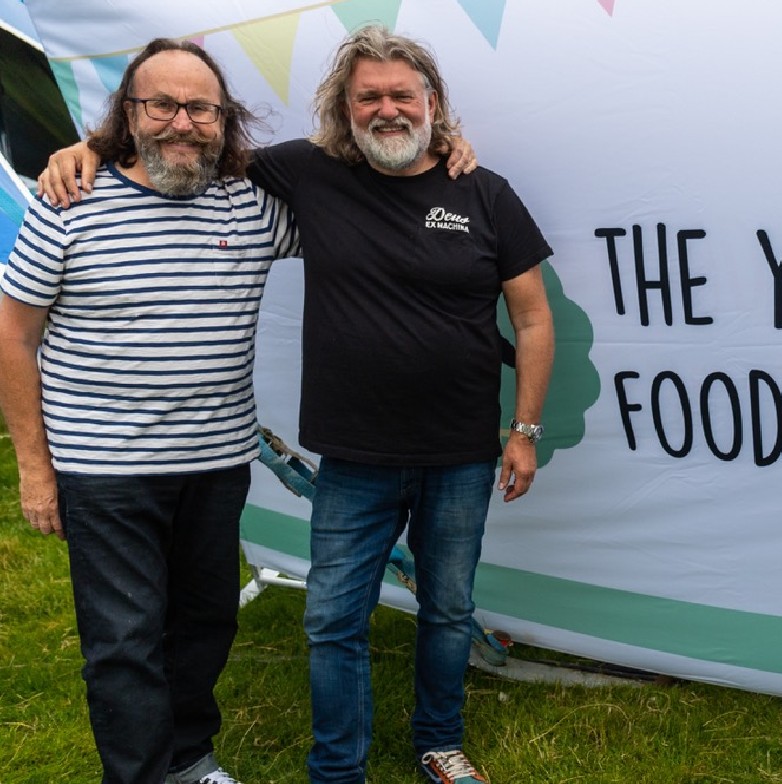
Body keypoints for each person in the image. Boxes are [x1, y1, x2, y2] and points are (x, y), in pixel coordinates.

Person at [39, 24, 555, 784]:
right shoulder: (310, 174)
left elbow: (534, 318)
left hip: (460, 453)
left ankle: (438, 742)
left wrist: (525, 430)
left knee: (448, 610)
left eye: (402, 95)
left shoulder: (482, 190)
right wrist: (85, 146)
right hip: (353, 459)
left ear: (433, 103)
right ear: (343, 108)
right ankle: (336, 769)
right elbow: (185, 142)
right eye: (367, 96)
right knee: (332, 621)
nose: (386, 109)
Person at [0, 39, 299, 784]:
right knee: (125, 641)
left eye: (200, 107)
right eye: (160, 104)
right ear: (126, 115)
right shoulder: (69, 201)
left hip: (216, 463)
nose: (181, 123)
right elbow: (12, 332)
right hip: (105, 473)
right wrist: (36, 471)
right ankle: (137, 774)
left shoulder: (253, 206)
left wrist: (443, 145)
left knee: (205, 624)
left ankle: (189, 759)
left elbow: (361, 214)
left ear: (224, 119)